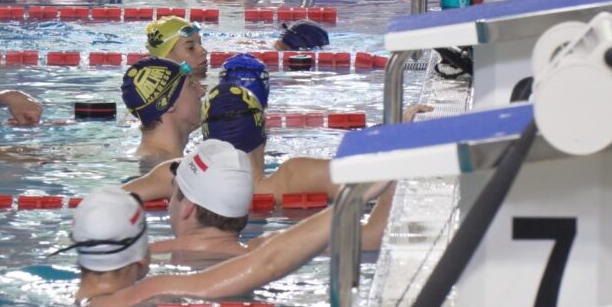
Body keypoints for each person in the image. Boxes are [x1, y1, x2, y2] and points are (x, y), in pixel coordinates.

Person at [62, 178, 390, 307]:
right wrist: (352, 198)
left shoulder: (68, 299)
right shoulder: (143, 292)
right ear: (142, 256)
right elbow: (267, 264)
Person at [125, 83, 432, 206]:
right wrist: (399, 135)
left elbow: (117, 197)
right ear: (263, 130)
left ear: (207, 140)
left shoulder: (183, 175)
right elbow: (371, 184)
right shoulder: (295, 177)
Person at [121, 56, 206, 165]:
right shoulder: (167, 171)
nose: (201, 92)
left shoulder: (154, 162)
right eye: (191, 85)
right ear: (166, 103)